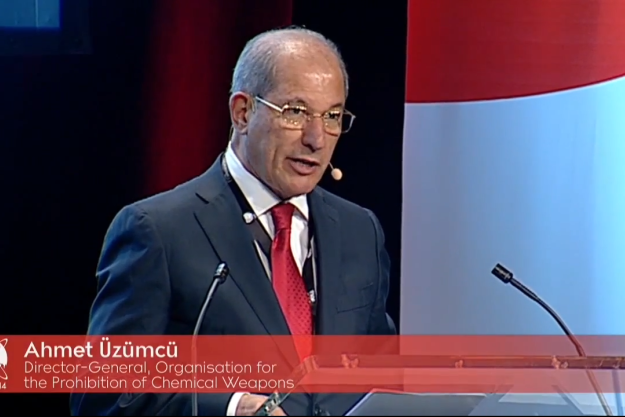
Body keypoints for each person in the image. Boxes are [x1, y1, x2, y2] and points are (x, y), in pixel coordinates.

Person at [70, 26, 396, 416]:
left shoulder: (359, 230)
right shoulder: (158, 230)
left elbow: (381, 375)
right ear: (243, 112)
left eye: (332, 117)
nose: (316, 138)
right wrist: (230, 408)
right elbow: (103, 398)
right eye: (295, 112)